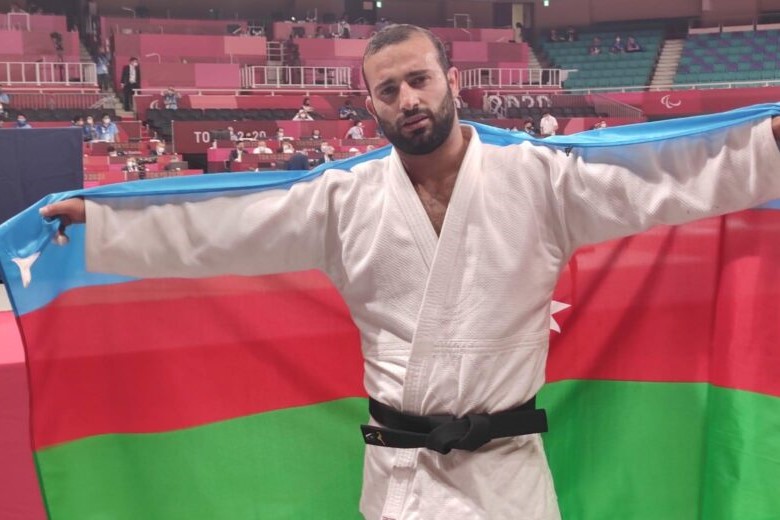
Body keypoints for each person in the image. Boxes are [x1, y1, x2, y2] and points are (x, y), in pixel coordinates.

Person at [40, 24, 780, 520]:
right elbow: (223, 229)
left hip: (508, 480)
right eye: (389, 91)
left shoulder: (540, 181)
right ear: (371, 105)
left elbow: (661, 181)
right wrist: (107, 222)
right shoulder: (342, 202)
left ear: (450, 79)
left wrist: (767, 145)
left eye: (419, 80)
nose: (409, 100)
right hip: (402, 486)